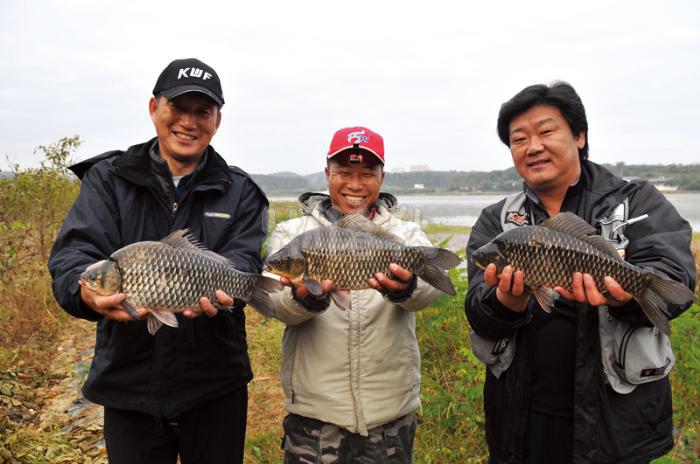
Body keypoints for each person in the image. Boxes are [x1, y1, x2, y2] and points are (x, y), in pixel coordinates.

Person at [48, 58, 268, 464]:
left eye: (201, 111)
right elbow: (73, 255)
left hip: (215, 383)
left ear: (217, 120)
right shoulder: (109, 178)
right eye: (177, 108)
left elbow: (244, 260)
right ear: (154, 109)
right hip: (129, 384)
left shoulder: (241, 191)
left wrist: (230, 288)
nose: (188, 122)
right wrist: (85, 293)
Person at [465, 82, 696, 464]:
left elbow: (675, 274)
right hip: (522, 420)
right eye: (518, 138)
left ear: (580, 136)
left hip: (617, 425)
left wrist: (625, 295)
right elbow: (477, 308)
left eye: (546, 131)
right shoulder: (498, 219)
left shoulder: (635, 201)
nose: (532, 146)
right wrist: (506, 300)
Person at [266, 126, 444, 463]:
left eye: (367, 174)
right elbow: (274, 302)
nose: (355, 185)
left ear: (382, 177)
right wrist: (307, 299)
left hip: (390, 410)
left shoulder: (405, 235)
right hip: (315, 413)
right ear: (327, 174)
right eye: (345, 172)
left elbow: (431, 292)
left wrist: (407, 288)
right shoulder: (292, 233)